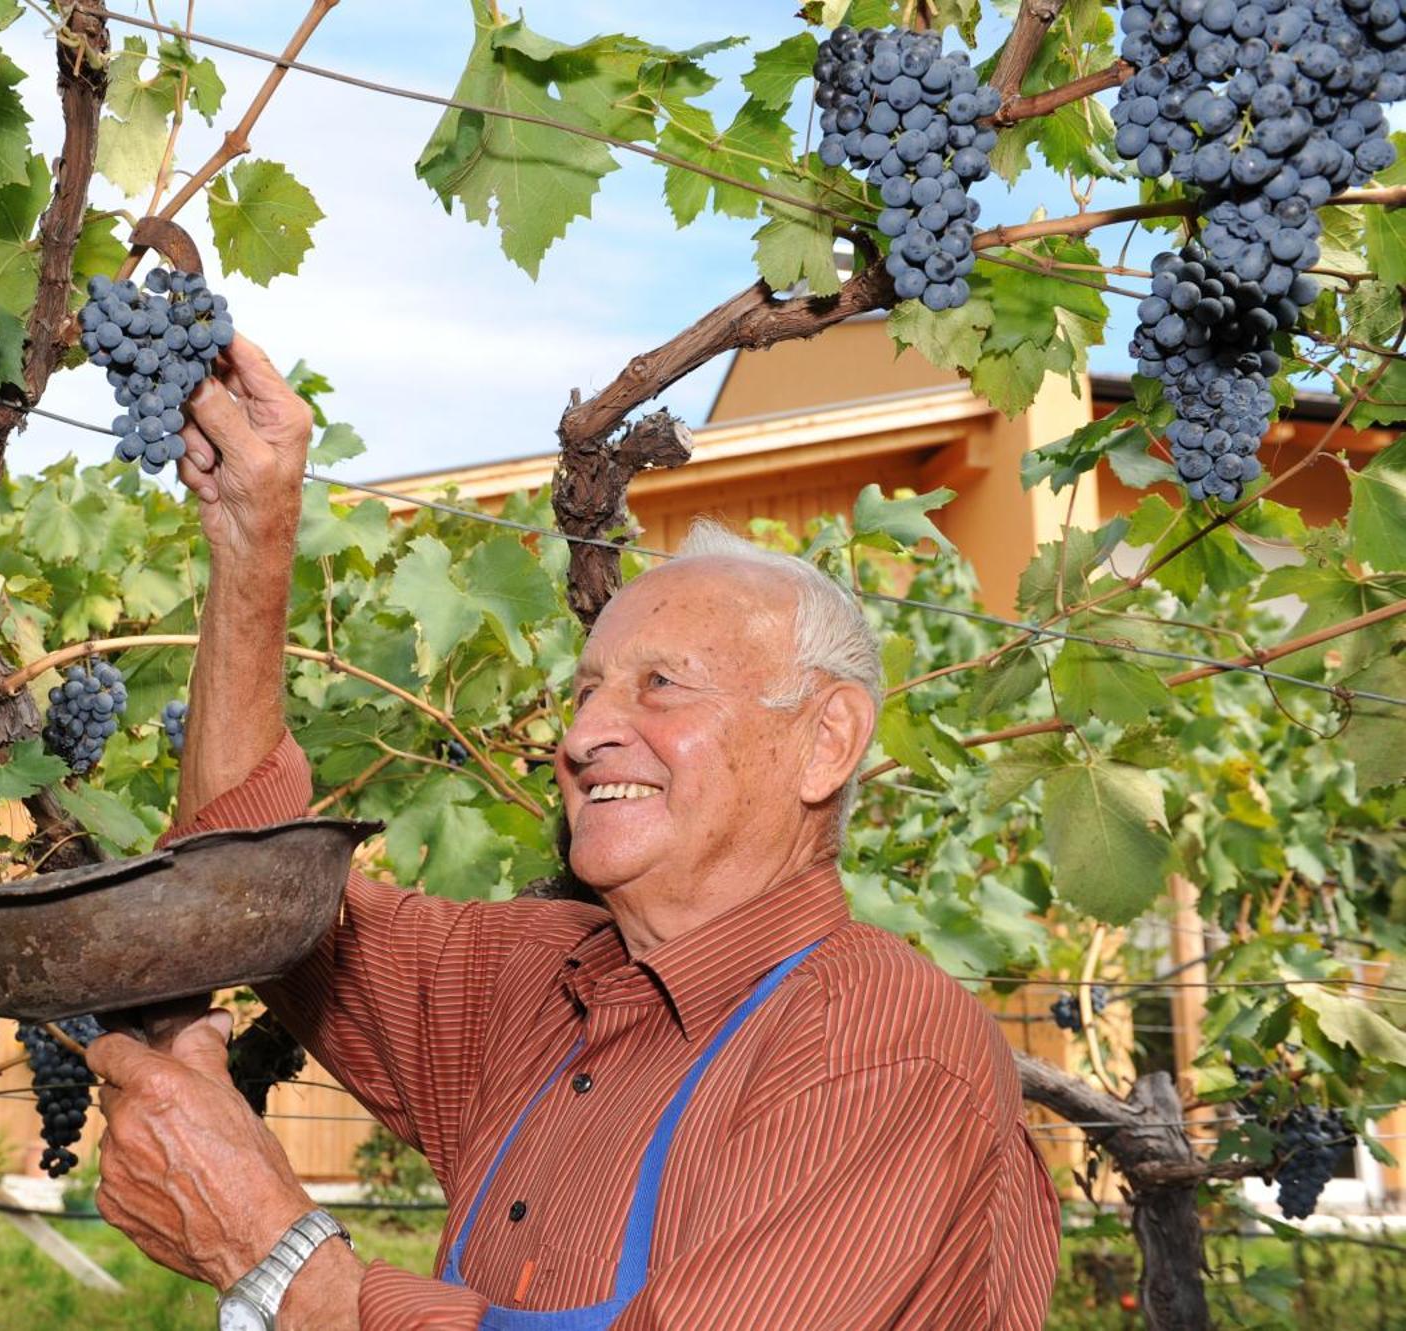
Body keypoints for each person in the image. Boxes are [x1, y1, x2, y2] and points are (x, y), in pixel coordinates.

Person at [84, 336, 1061, 1329]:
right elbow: (247, 884)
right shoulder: (532, 985)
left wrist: (277, 1256)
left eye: (660, 684)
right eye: (585, 689)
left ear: (825, 742)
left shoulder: (871, 1039)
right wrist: (252, 533)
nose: (584, 733)